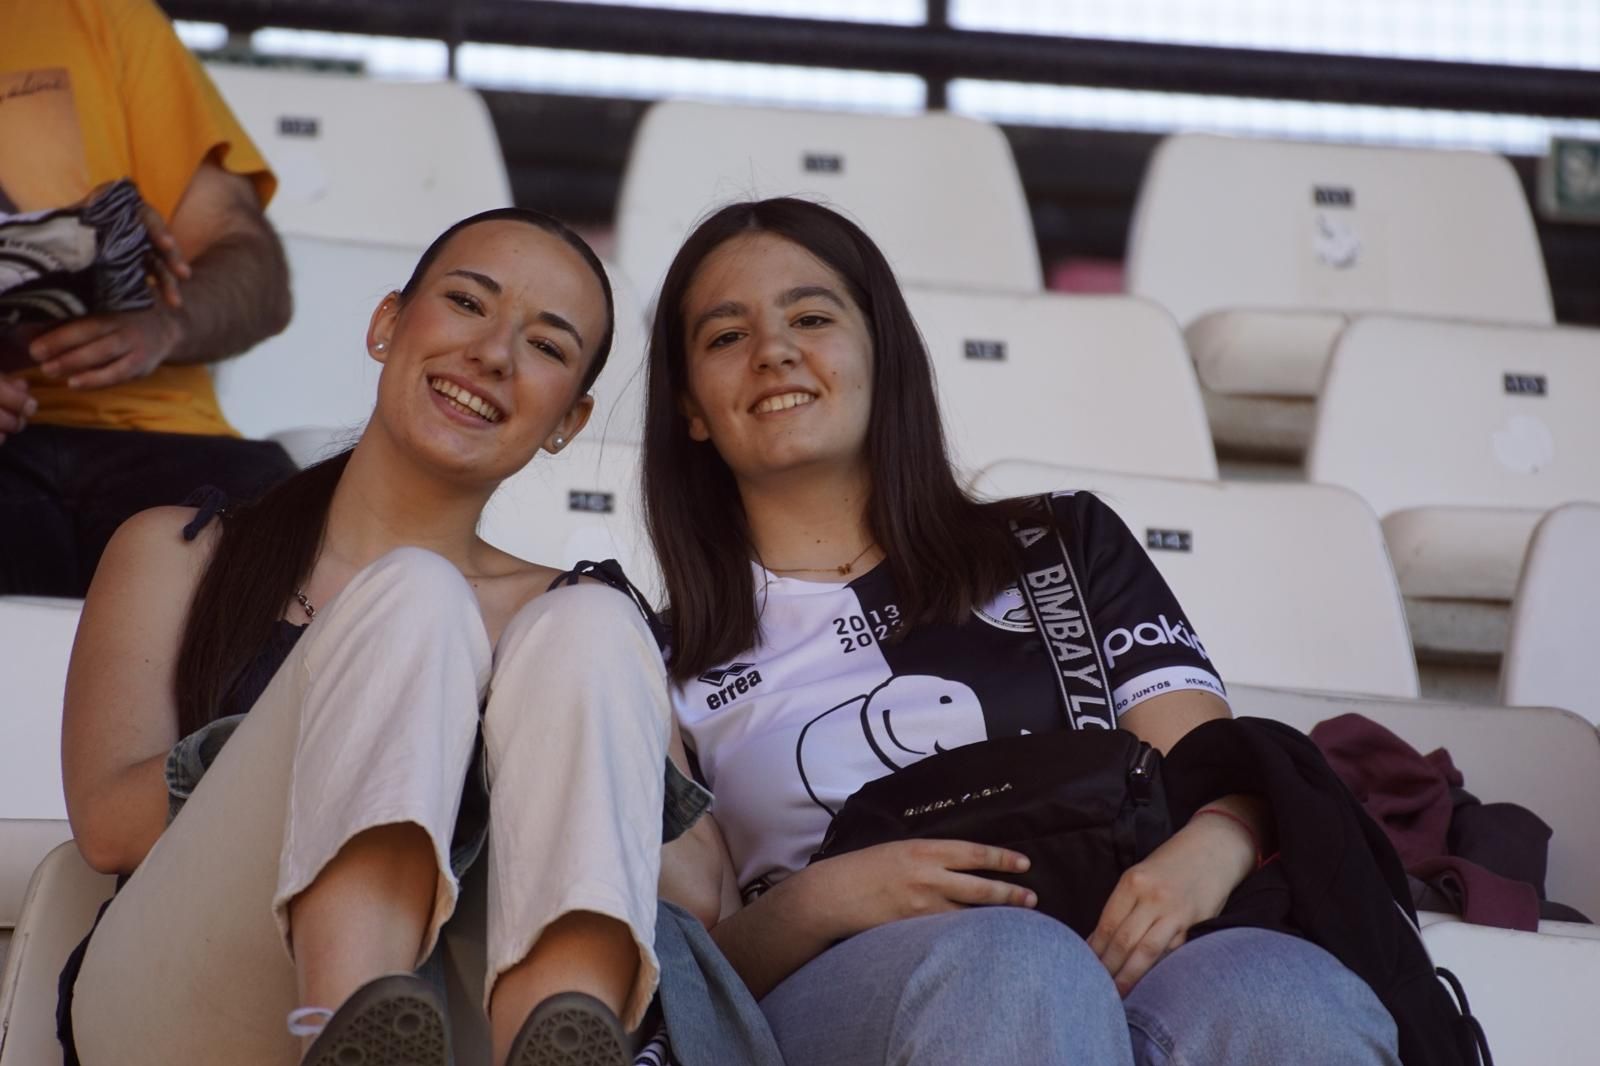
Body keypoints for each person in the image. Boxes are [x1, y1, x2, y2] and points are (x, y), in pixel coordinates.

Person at [639, 197, 1404, 1065]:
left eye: (811, 318)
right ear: (690, 406)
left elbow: (1203, 770)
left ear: (884, 354)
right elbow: (691, 980)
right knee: (1016, 967)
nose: (774, 350)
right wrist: (825, 899)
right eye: (726, 336)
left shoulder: (1061, 544)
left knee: (1287, 995)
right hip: (842, 994)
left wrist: (1219, 842)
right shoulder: (655, 660)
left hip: (1126, 947)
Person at [60, 207, 708, 1066]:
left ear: (569, 421)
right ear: (387, 324)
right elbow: (108, 825)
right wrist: (373, 722)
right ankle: (345, 1024)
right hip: (184, 1000)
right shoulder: (179, 552)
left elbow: (703, 894)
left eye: (547, 346)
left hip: (470, 1021)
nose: (494, 354)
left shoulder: (579, 625)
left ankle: (557, 1023)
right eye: (467, 303)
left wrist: (551, 750)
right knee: (415, 597)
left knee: (587, 622)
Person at [0, 0, 297, 597]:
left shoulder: (101, 17)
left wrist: (164, 323)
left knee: (279, 543)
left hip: (166, 441)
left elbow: (254, 268)